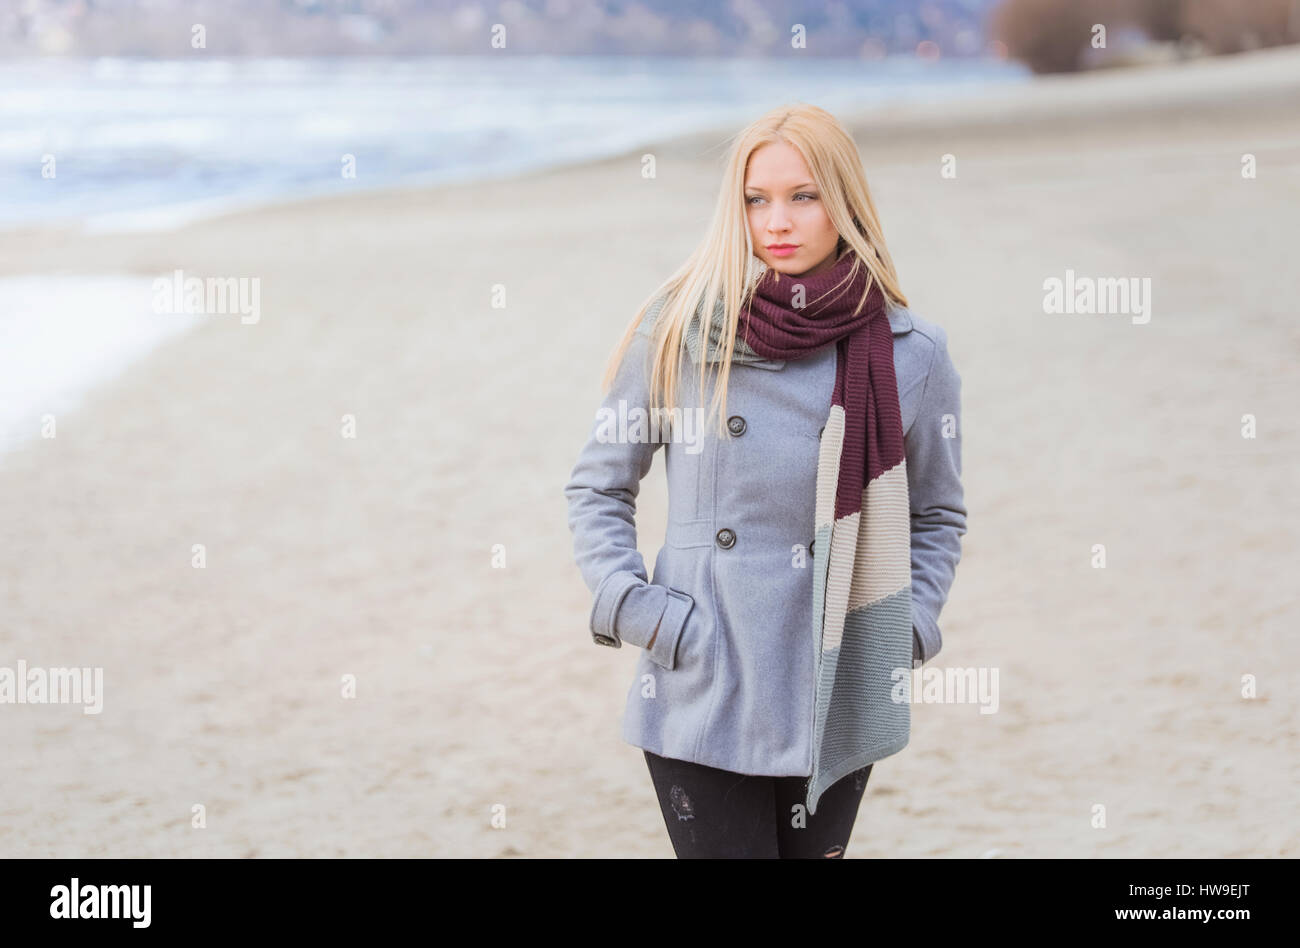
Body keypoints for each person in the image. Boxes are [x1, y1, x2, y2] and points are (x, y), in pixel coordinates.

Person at [563, 103, 967, 858]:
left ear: (843, 200)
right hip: (703, 674)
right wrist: (638, 610)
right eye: (757, 199)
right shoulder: (681, 332)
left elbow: (937, 515)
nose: (775, 220)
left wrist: (904, 632)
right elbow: (598, 486)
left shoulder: (913, 354)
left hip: (837, 677)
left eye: (802, 195)